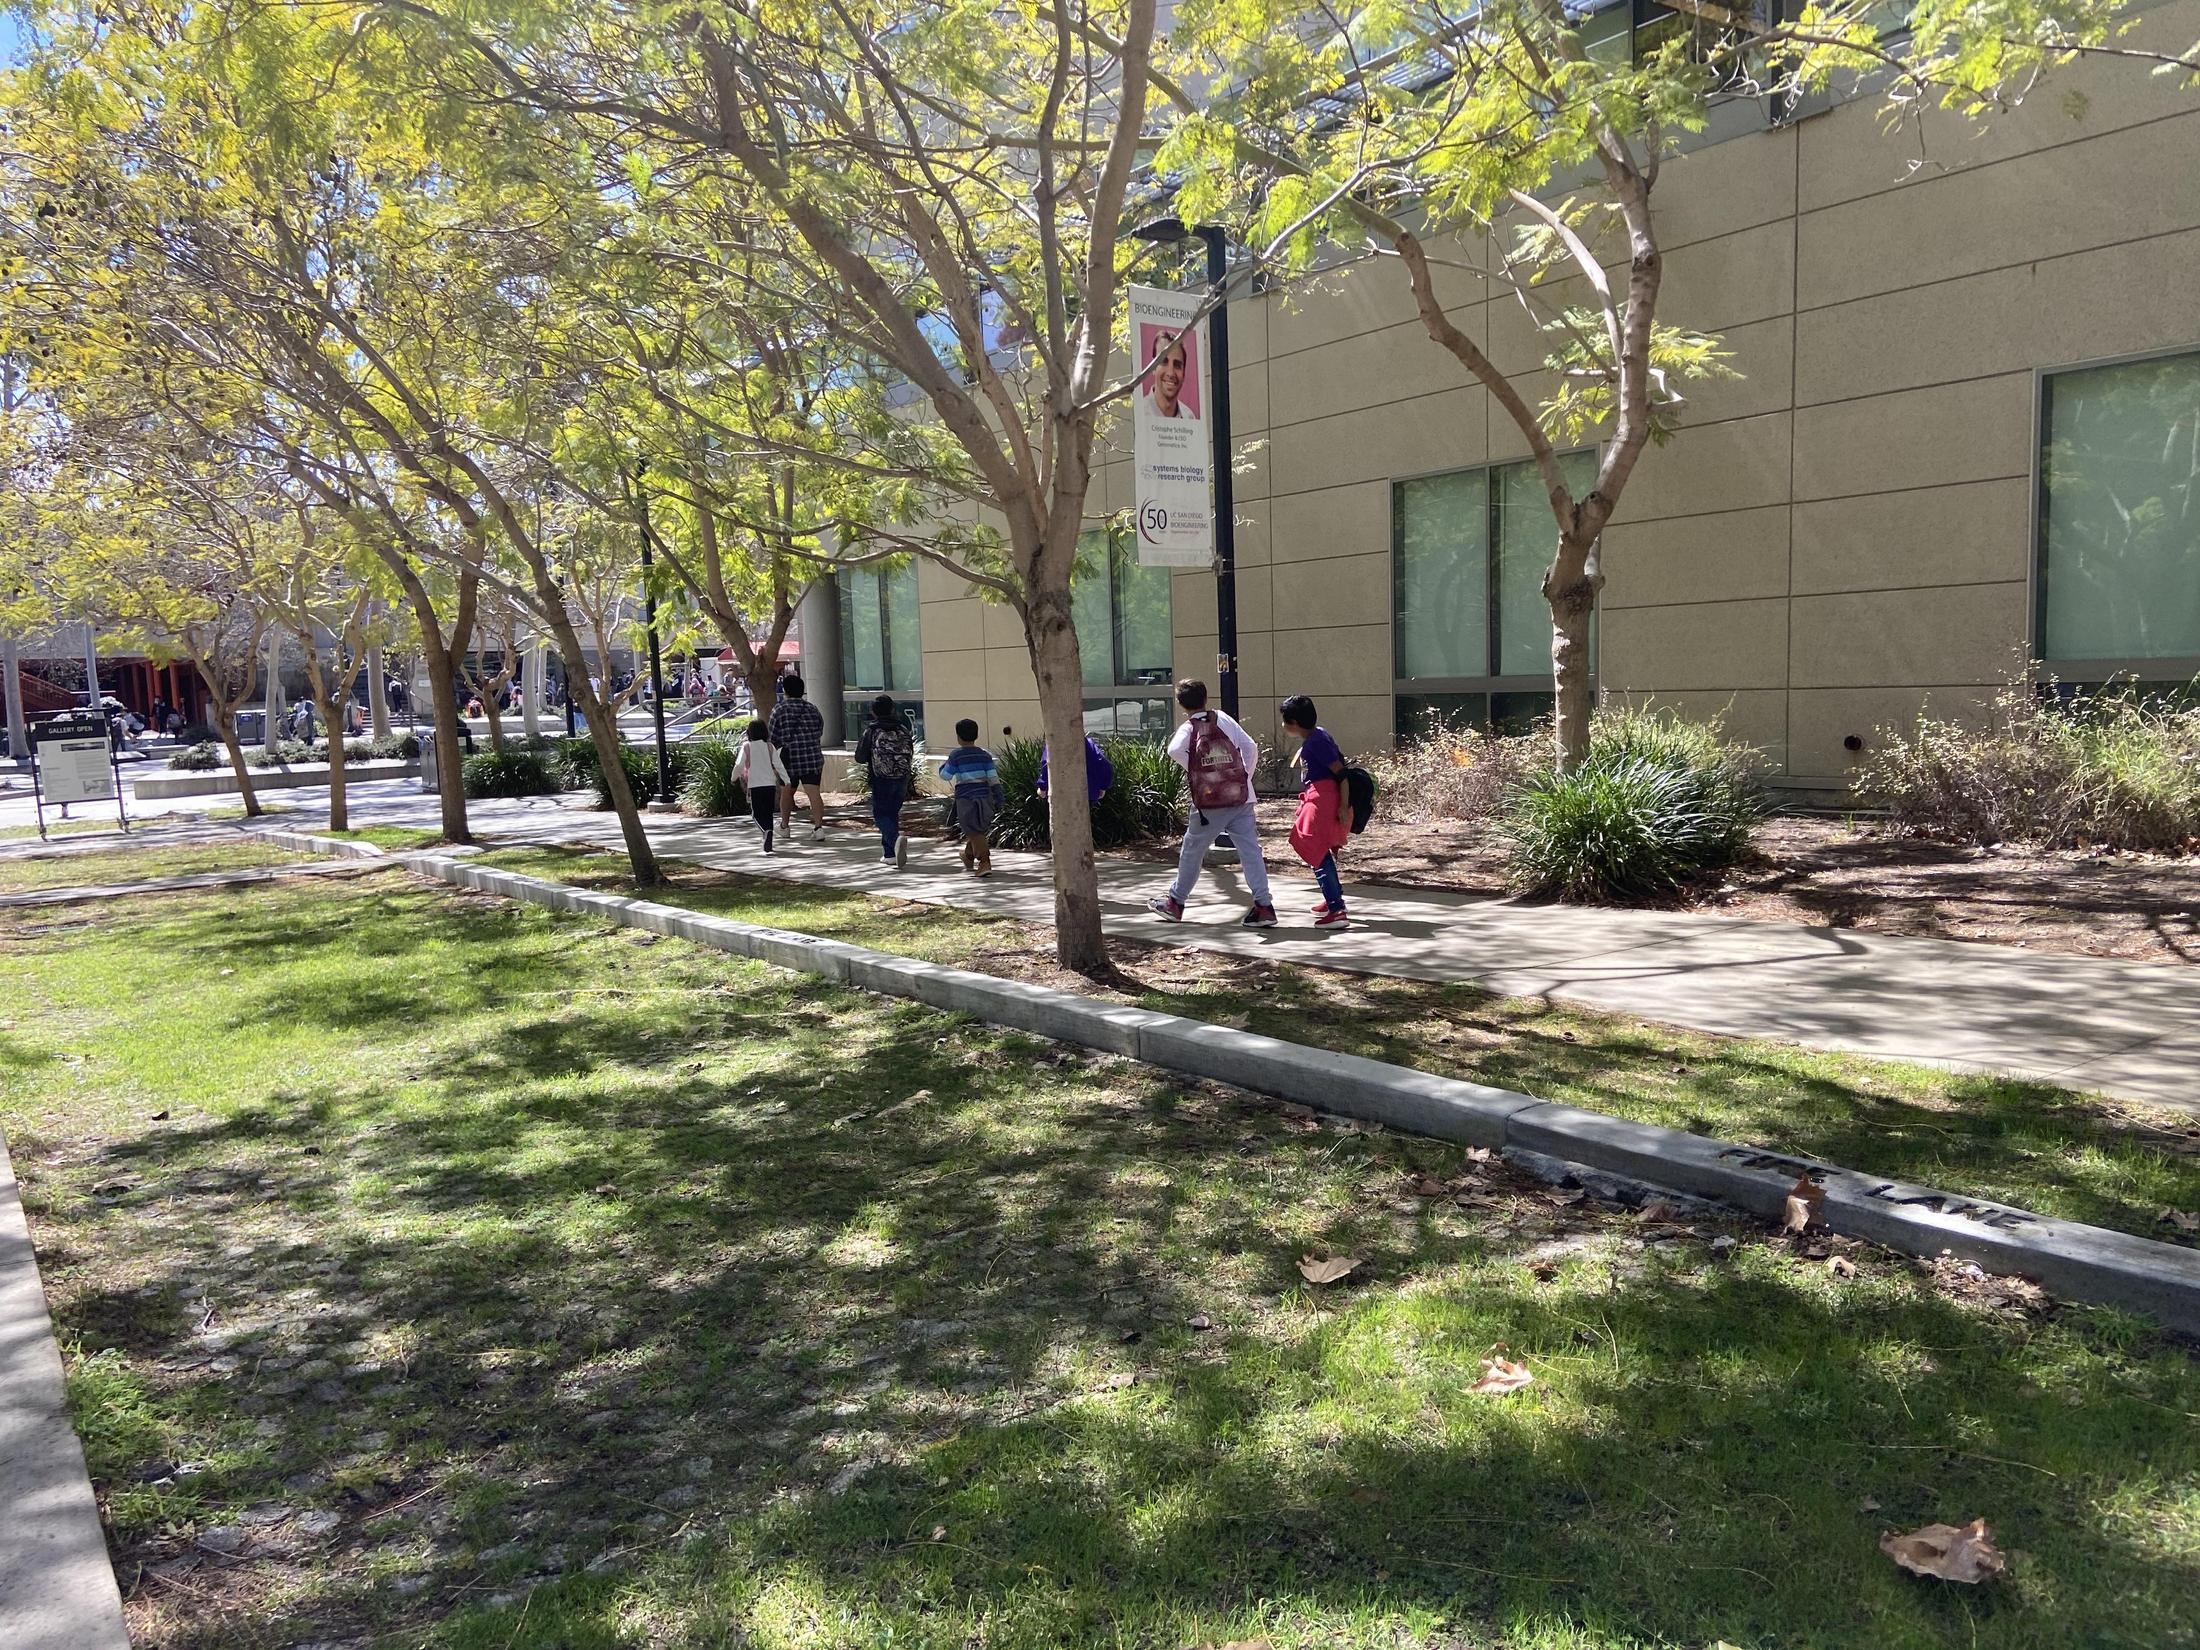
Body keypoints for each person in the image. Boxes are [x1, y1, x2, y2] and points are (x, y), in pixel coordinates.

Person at [1147, 679, 1277, 928]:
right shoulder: (1223, 719)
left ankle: (1175, 902)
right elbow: (1250, 747)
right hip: (1240, 796)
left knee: (1192, 851)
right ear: (1206, 698)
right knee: (1250, 851)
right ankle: (1264, 906)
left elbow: (1173, 750)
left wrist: (1201, 773)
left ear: (1180, 704)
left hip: (1209, 803)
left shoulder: (1189, 728)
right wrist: (1241, 777)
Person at [1281, 694, 1352, 927]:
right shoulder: (1317, 734)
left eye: (1285, 721)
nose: (1283, 725)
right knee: (1319, 850)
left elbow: (1341, 773)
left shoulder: (1316, 742)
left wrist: (1342, 806)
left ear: (1295, 723)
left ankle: (1337, 909)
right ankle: (1332, 897)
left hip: (1323, 800)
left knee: (1316, 849)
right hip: (1319, 797)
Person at [853, 694, 916, 868]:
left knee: (880, 815)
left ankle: (895, 842)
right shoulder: (903, 729)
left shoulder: (872, 730)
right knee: (892, 814)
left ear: (873, 712)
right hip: (902, 777)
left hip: (881, 778)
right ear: (893, 709)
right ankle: (889, 854)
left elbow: (859, 757)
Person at [938, 719, 1003, 877]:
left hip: (965, 797)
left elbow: (945, 775)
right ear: (976, 735)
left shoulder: (956, 755)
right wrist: (999, 797)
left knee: (972, 829)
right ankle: (968, 856)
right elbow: (993, 779)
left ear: (958, 737)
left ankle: (985, 861)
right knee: (977, 828)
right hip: (984, 795)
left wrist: (943, 765)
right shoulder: (985, 755)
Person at [767, 673, 827, 841]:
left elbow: (772, 736)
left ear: (785, 690)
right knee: (814, 792)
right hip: (812, 757)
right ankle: (818, 828)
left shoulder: (779, 710)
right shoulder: (812, 708)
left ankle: (785, 826)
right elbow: (820, 730)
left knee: (787, 792)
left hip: (789, 759)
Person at [731, 717, 792, 854]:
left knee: (756, 814)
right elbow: (779, 765)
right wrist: (787, 780)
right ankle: (768, 833)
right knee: (768, 812)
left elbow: (739, 765)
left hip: (755, 785)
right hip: (770, 784)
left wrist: (733, 778)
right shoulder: (770, 746)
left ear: (749, 732)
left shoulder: (747, 746)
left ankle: (766, 832)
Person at [1036, 732, 1113, 806]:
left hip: (1062, 795)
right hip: (1086, 793)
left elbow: (1047, 765)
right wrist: (1103, 787)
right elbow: (1104, 764)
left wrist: (1042, 788)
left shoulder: (1054, 745)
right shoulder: (1088, 744)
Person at [1139, 330, 1192, 421]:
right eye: (1164, 361)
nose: (1171, 373)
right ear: (1153, 367)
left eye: (1177, 365)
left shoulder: (1189, 417)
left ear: (1183, 373)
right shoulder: (1140, 413)